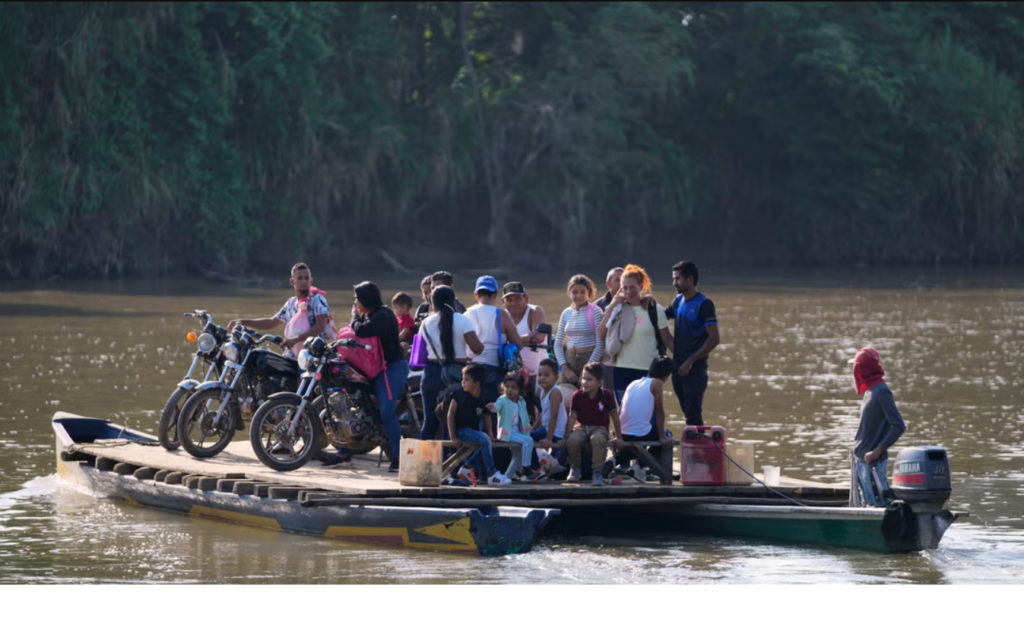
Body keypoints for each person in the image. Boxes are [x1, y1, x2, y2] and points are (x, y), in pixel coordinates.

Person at [348, 281, 409, 472]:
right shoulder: (372, 314)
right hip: (376, 366)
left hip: (392, 367)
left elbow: (361, 330)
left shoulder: (382, 315)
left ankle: (399, 458)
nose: (355, 302)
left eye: (357, 299)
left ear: (367, 299)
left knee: (386, 410)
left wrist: (354, 317)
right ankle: (344, 450)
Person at [598, 264, 673, 410]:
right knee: (625, 414)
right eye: (624, 288)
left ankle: (657, 434)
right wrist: (612, 306)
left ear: (641, 286)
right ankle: (622, 434)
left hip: (648, 371)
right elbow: (601, 333)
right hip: (621, 370)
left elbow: (668, 339)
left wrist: (684, 360)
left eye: (632, 287)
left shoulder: (653, 309)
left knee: (648, 413)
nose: (628, 291)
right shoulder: (617, 309)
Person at [227, 262, 336, 357]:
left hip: (313, 356)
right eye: (300, 278)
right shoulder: (290, 303)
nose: (304, 281)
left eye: (306, 278)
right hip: (292, 354)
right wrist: (242, 322)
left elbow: (319, 327)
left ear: (311, 281)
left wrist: (296, 340)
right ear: (292, 281)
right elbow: (271, 322)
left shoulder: (317, 299)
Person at [418, 286, 484, 442]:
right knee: (452, 422)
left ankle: (422, 462)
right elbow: (477, 348)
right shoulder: (463, 320)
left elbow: (420, 355)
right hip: (455, 376)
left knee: (430, 422)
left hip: (430, 374)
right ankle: (451, 464)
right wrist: (467, 357)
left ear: (432, 303)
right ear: (453, 301)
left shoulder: (425, 323)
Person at [850, 347, 905, 507]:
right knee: (867, 505)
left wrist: (876, 452)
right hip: (861, 462)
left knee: (878, 506)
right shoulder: (870, 391)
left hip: (872, 464)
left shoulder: (881, 392)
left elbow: (898, 426)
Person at [666, 260, 719, 426]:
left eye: (678, 279)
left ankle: (699, 449)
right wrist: (647, 303)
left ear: (690, 279)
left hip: (695, 369)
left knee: (693, 416)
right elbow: (661, 315)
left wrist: (691, 361)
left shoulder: (704, 304)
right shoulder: (678, 301)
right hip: (678, 366)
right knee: (688, 413)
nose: (674, 283)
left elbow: (714, 338)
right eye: (674, 279)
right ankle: (695, 447)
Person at [446, 363, 512, 486]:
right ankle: (491, 474)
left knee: (487, 441)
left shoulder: (483, 395)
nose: (462, 382)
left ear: (476, 384)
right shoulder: (459, 393)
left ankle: (467, 467)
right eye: (463, 379)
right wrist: (453, 436)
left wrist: (491, 435)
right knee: (484, 440)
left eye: (466, 380)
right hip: (461, 430)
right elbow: (450, 414)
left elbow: (486, 416)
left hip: (474, 431)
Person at [464, 275, 527, 404]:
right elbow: (518, 344)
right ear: (495, 294)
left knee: (471, 408)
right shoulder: (501, 314)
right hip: (493, 369)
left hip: (470, 370)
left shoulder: (466, 314)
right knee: (492, 409)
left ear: (476, 295)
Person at [614, 356, 674, 477]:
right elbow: (659, 412)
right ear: (666, 374)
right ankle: (640, 466)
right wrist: (662, 436)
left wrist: (617, 434)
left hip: (623, 432)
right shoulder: (657, 383)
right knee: (668, 436)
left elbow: (619, 411)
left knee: (639, 438)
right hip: (639, 433)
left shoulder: (634, 383)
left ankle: (612, 461)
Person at [566, 363, 622, 486]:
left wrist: (619, 436)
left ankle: (597, 471)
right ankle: (575, 467)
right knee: (573, 440)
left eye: (589, 379)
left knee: (597, 440)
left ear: (599, 382)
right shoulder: (577, 396)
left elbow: (615, 418)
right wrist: (566, 435)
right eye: (584, 378)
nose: (584, 382)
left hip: (599, 428)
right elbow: (572, 418)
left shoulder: (607, 395)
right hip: (581, 426)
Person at [554, 274, 605, 388]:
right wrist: (565, 369)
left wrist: (586, 370)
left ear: (589, 293)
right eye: (575, 292)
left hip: (590, 361)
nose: (579, 296)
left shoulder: (596, 311)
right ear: (569, 293)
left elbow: (601, 344)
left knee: (586, 400)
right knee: (564, 398)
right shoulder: (566, 313)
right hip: (569, 361)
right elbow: (558, 344)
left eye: (583, 292)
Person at [494, 371, 543, 480]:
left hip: (518, 433)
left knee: (518, 456)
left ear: (520, 390)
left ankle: (506, 478)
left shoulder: (521, 401)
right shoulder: (502, 400)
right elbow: (497, 406)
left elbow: (524, 417)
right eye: (507, 387)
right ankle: (527, 468)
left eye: (513, 387)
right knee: (529, 440)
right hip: (507, 433)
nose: (510, 390)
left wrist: (528, 428)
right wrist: (493, 407)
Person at [502, 281, 548, 379]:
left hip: (537, 375)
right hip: (511, 376)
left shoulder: (535, 311)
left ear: (526, 298)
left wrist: (514, 340)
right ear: (503, 302)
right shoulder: (502, 316)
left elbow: (539, 336)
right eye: (509, 300)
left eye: (518, 299)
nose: (514, 303)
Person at [534, 357, 568, 469]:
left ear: (556, 377)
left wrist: (548, 438)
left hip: (556, 433)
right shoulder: (543, 391)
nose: (542, 378)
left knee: (558, 468)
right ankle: (534, 466)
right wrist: (533, 428)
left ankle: (539, 466)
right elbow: (543, 412)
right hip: (548, 429)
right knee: (527, 438)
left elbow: (554, 416)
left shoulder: (555, 392)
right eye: (540, 374)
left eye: (547, 375)